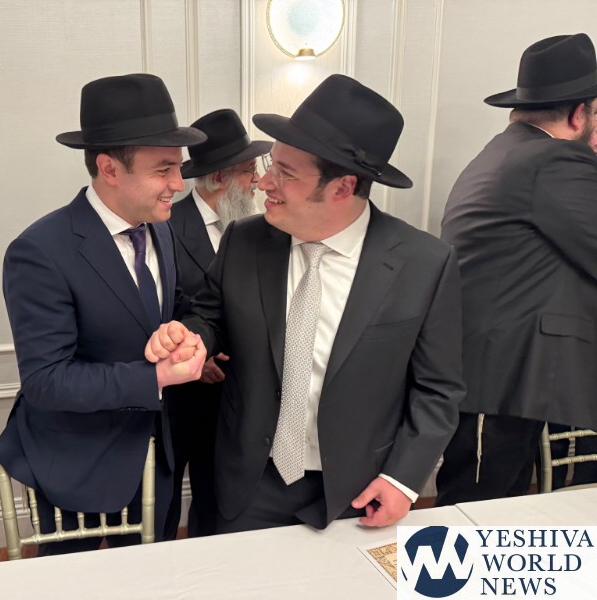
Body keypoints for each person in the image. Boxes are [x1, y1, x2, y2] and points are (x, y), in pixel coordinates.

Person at [146, 74, 465, 533]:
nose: (265, 183)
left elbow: (439, 389)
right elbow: (209, 316)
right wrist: (191, 336)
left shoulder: (424, 263)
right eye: (270, 166)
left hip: (361, 488)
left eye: (285, 173)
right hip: (248, 483)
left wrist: (403, 479)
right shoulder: (244, 240)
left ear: (342, 187)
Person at [0, 73, 208, 554]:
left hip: (159, 456)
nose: (178, 183)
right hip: (77, 463)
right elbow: (46, 380)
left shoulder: (160, 228)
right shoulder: (39, 251)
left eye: (178, 168)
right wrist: (155, 378)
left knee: (153, 576)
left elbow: (179, 306)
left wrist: (187, 334)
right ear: (109, 168)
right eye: (164, 169)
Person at [435, 33, 597, 505]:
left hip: (492, 374)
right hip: (499, 378)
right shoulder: (554, 159)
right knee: (474, 511)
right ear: (579, 114)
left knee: (491, 505)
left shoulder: (507, 151)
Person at [164, 109, 271, 538]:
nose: (257, 181)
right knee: (166, 497)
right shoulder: (165, 226)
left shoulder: (258, 231)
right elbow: (160, 305)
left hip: (237, 396)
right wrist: (197, 354)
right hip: (181, 397)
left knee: (218, 499)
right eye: (248, 172)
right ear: (220, 177)